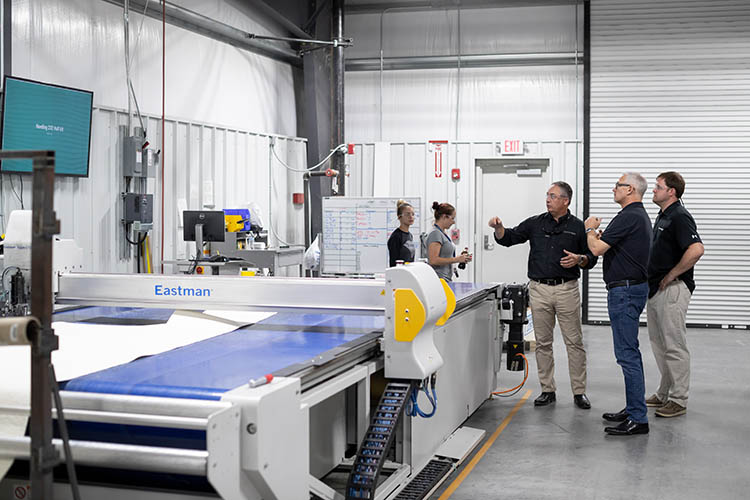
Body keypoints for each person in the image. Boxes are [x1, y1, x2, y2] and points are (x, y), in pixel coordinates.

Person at [488, 181, 597, 410]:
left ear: (565, 201)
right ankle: (548, 389)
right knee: (543, 343)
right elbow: (510, 237)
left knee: (574, 343)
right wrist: (499, 228)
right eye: (547, 195)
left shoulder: (577, 227)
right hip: (539, 290)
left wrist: (579, 259)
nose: (547, 199)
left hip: (566, 289)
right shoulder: (536, 223)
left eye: (553, 196)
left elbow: (591, 257)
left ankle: (579, 392)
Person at [585, 172, 652, 436]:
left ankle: (638, 418)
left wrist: (589, 228)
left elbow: (596, 249)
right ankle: (634, 407)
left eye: (619, 185)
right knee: (629, 352)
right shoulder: (635, 216)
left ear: (631, 190)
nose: (614, 189)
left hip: (624, 291)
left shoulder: (629, 216)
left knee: (627, 354)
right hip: (629, 289)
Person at [646, 172, 704, 418]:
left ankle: (678, 400)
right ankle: (665, 392)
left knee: (674, 346)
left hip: (672, 289)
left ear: (672, 192)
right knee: (660, 345)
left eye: (658, 187)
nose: (653, 191)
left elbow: (696, 249)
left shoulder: (680, 216)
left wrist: (672, 275)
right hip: (657, 290)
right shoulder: (663, 215)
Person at [426, 201, 470, 281]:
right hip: (438, 279)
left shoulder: (442, 233)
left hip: (445, 278)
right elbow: (433, 260)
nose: (453, 222)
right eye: (452, 218)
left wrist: (462, 258)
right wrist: (457, 259)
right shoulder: (435, 233)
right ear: (444, 217)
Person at [387, 200, 416, 267]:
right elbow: (393, 262)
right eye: (407, 214)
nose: (411, 217)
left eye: (413, 214)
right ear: (399, 217)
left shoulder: (410, 235)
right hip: (400, 274)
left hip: (409, 272)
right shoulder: (396, 237)